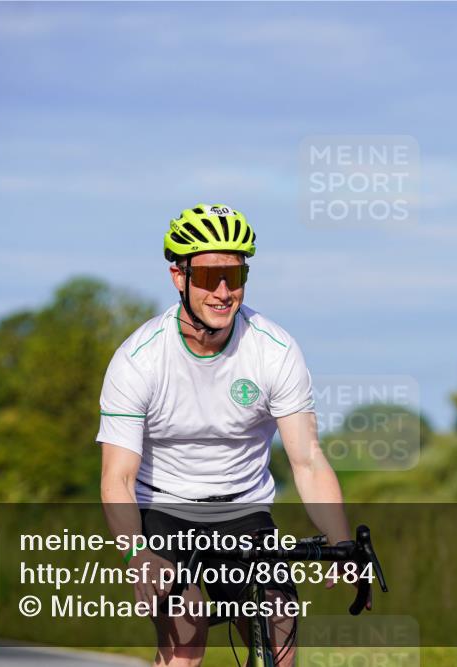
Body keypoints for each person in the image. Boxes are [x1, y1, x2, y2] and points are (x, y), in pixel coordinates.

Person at [97, 204, 357, 667]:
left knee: (281, 637)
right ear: (179, 276)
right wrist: (137, 553)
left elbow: (308, 461)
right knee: (186, 641)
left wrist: (340, 544)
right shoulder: (138, 359)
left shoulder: (273, 350)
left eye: (234, 275)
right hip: (165, 511)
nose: (222, 291)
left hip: (245, 513)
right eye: (209, 275)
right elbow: (117, 478)